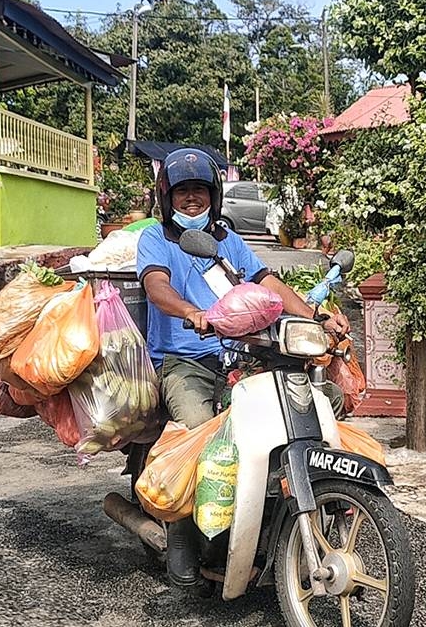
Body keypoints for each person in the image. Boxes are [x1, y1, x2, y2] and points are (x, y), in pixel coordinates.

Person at [135, 148, 350, 588]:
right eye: (182, 192)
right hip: (184, 360)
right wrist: (192, 312)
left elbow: (268, 284)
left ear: (213, 196)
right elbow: (156, 287)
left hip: (240, 355)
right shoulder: (156, 239)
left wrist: (315, 318)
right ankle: (181, 534)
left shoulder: (229, 241)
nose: (191, 200)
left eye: (199, 191)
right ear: (167, 197)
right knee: (198, 427)